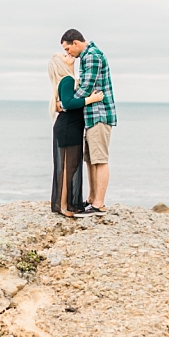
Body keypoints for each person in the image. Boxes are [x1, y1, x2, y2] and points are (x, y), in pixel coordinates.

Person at [60, 29, 117, 212]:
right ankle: (92, 198)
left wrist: (68, 103)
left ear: (76, 43)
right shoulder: (88, 56)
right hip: (91, 115)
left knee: (99, 159)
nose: (68, 53)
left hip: (99, 114)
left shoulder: (91, 56)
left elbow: (86, 87)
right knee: (91, 159)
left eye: (68, 49)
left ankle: (98, 203)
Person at [48, 52, 104, 217]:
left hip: (69, 127)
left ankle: (64, 204)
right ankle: (65, 207)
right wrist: (91, 99)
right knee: (68, 168)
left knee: (68, 168)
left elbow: (64, 103)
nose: (68, 55)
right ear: (61, 64)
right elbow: (68, 103)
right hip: (68, 128)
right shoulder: (68, 80)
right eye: (64, 56)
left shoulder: (69, 79)